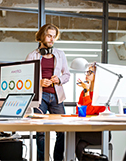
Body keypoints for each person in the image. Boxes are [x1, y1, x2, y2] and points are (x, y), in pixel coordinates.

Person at [26, 23, 71, 161]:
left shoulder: (60, 54)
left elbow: (67, 75)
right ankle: (42, 159)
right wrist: (38, 82)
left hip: (57, 97)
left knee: (62, 131)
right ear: (41, 37)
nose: (52, 39)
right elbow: (26, 78)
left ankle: (58, 159)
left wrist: (59, 80)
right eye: (49, 36)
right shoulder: (32, 55)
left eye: (54, 37)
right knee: (40, 133)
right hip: (40, 97)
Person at [75, 64, 108, 160]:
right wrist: (86, 91)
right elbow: (79, 111)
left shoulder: (102, 93)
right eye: (87, 72)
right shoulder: (84, 92)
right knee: (79, 146)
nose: (87, 74)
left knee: (73, 135)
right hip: (88, 130)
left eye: (90, 72)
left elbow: (88, 110)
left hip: (101, 133)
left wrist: (86, 91)